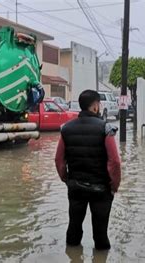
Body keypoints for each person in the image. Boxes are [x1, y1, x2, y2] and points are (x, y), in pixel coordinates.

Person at [55, 90, 121, 250]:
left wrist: (67, 179)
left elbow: (59, 160)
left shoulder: (66, 129)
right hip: (101, 189)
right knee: (101, 233)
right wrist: (114, 186)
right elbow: (115, 162)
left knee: (74, 228)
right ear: (95, 106)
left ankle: (72, 256)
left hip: (75, 186)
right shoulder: (105, 129)